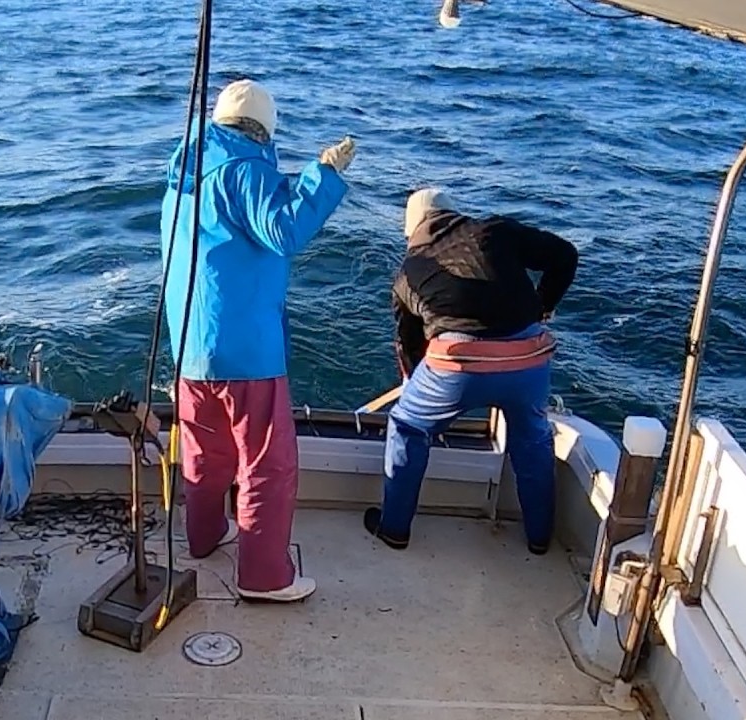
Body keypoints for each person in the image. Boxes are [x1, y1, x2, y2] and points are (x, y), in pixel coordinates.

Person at [161, 79, 356, 602]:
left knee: (205, 452)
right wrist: (325, 174)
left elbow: (241, 226)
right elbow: (285, 231)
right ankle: (265, 577)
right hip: (245, 349)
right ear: (264, 130)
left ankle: (204, 537)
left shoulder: (187, 173)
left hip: (191, 350)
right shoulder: (245, 169)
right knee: (265, 463)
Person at [364, 188, 578, 555]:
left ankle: (395, 529)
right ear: (454, 215)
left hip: (456, 368)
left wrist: (416, 385)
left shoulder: (407, 273)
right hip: (527, 360)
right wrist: (542, 308)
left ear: (412, 230)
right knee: (533, 438)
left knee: (407, 425)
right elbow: (565, 256)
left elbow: (408, 346)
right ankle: (540, 539)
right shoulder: (494, 231)